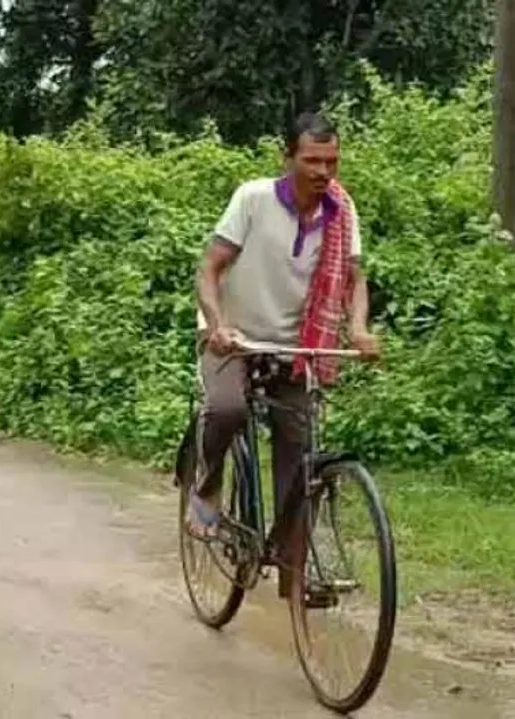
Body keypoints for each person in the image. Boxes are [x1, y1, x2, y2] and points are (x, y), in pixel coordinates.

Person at [188, 111, 379, 599]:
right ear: (288, 157)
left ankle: (294, 577)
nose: (323, 172)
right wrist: (217, 324)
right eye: (312, 160)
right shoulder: (253, 199)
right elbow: (210, 268)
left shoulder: (342, 211)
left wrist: (357, 328)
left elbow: (356, 280)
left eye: (331, 161)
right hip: (235, 339)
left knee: (302, 452)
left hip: (294, 350)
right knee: (227, 409)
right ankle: (206, 489)